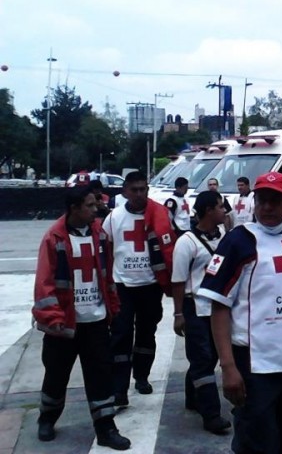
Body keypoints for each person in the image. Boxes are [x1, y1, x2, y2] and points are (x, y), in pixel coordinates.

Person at [198, 171, 282, 454]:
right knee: (257, 442)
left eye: (275, 201)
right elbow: (219, 305)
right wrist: (228, 367)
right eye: (262, 200)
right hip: (255, 366)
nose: (267, 207)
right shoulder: (239, 241)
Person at [32, 187, 131, 450]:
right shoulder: (54, 237)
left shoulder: (99, 234)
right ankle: (47, 418)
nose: (95, 209)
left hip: (96, 322)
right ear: (74, 208)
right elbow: (45, 282)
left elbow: (107, 275)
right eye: (89, 205)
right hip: (63, 325)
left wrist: (113, 307)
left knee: (101, 377)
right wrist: (52, 317)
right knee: (56, 375)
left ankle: (106, 428)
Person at [102, 171, 175, 407]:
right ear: (125, 192)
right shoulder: (114, 218)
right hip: (123, 285)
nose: (139, 194)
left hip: (151, 285)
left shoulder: (160, 214)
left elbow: (170, 246)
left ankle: (142, 376)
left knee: (146, 333)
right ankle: (118, 389)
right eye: (134, 189)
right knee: (121, 336)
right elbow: (106, 251)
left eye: (143, 189)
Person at [171, 190, 231, 435]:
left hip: (218, 309)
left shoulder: (224, 236)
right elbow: (178, 280)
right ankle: (212, 414)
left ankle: (192, 396)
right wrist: (178, 314)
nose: (224, 211)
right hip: (195, 308)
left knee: (209, 357)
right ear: (208, 211)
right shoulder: (186, 242)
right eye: (219, 207)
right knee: (203, 359)